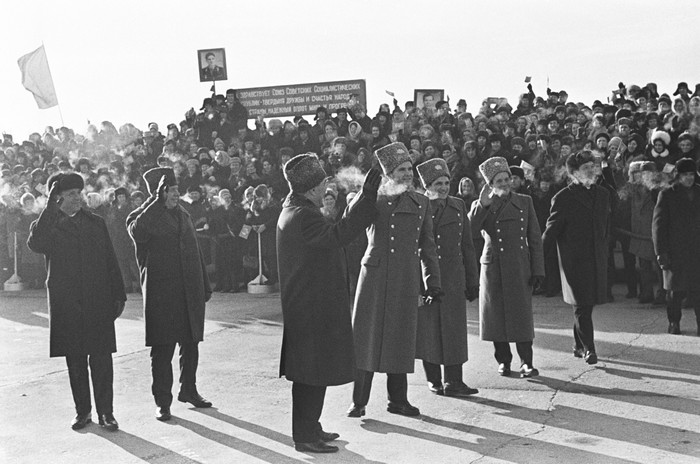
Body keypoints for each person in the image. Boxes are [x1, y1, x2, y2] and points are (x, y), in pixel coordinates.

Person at [277, 153, 380, 454]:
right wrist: (366, 197)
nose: (328, 185)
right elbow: (339, 235)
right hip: (310, 307)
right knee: (309, 374)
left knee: (314, 371)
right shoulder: (304, 214)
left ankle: (311, 427)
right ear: (311, 188)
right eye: (324, 181)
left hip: (310, 305)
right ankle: (304, 436)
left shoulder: (297, 207)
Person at [348, 142, 442, 418]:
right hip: (375, 276)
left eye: (409, 169)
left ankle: (398, 400)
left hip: (405, 276)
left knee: (400, 337)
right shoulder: (372, 198)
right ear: (388, 173)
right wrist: (365, 194)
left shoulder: (421, 202)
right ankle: (358, 401)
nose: (407, 174)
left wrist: (432, 281)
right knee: (367, 336)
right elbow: (349, 221)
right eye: (400, 169)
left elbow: (428, 245)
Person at [27, 173, 126, 431]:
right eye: (71, 194)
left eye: (79, 193)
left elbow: (109, 259)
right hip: (67, 303)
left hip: (97, 299)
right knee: (76, 360)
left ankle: (107, 413)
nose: (78, 198)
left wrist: (119, 293)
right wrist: (49, 208)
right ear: (57, 197)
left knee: (102, 358)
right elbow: (36, 244)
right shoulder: (48, 225)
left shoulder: (95, 223)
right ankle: (83, 412)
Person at [127, 167, 213, 421]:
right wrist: (156, 202)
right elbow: (138, 232)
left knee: (190, 343)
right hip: (161, 294)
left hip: (189, 290)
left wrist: (204, 285)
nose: (177, 194)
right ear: (159, 192)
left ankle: (189, 390)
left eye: (176, 189)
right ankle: (163, 402)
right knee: (163, 350)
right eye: (171, 190)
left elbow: (195, 251)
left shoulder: (183, 214)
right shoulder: (141, 216)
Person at [468, 157, 545, 377]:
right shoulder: (482, 204)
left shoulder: (524, 201)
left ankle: (526, 362)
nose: (503, 183)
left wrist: (538, 269)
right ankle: (503, 360)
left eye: (506, 179)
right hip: (493, 266)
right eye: (498, 180)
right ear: (490, 184)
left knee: (521, 315)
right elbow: (469, 232)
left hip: (519, 265)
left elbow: (535, 237)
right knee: (495, 316)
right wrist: (482, 205)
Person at [415, 158, 480, 395]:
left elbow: (467, 246)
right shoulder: (418, 205)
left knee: (454, 330)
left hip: (453, 278)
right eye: (437, 183)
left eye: (445, 182)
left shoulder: (458, 205)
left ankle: (454, 381)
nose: (443, 188)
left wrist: (472, 280)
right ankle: (434, 379)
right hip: (427, 278)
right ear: (427, 185)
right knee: (429, 329)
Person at [543, 151, 611, 365]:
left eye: (593, 166)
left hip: (596, 259)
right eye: (585, 168)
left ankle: (578, 344)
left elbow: (607, 224)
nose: (591, 170)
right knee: (581, 305)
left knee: (585, 306)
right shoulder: (563, 197)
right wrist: (536, 260)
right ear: (573, 173)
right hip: (573, 262)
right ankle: (590, 349)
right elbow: (551, 232)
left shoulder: (603, 194)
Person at [652, 158, 700, 335]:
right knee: (674, 292)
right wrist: (661, 252)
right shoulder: (667, 194)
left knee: (698, 292)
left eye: (691, 174)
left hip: (697, 251)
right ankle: (674, 322)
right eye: (685, 175)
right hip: (675, 251)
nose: (689, 178)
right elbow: (658, 226)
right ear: (678, 176)